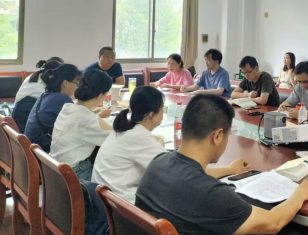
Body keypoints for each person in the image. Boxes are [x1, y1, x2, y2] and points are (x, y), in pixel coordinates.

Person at [136, 94, 308, 235]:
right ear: (217, 136)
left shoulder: (158, 163)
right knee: (305, 231)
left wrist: (229, 170)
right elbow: (274, 223)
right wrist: (299, 194)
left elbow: (194, 175)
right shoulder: (208, 192)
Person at [93, 87, 253, 203]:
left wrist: (159, 142)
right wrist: (231, 170)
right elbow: (185, 174)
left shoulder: (126, 127)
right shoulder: (139, 137)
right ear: (151, 115)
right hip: (122, 205)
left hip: (107, 200)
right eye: (162, 109)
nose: (163, 114)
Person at [50, 69, 113, 181]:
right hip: (75, 174)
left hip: (54, 170)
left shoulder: (67, 107)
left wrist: (97, 115)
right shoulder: (89, 120)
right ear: (100, 95)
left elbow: (82, 121)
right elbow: (117, 137)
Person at [25, 64, 82, 153]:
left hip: (33, 148)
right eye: (76, 83)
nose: (76, 87)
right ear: (65, 83)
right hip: (43, 152)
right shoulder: (62, 99)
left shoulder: (46, 94)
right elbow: (81, 123)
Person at [13, 59, 63, 132]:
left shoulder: (33, 77)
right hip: (25, 129)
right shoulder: (41, 90)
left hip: (20, 124)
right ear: (51, 76)